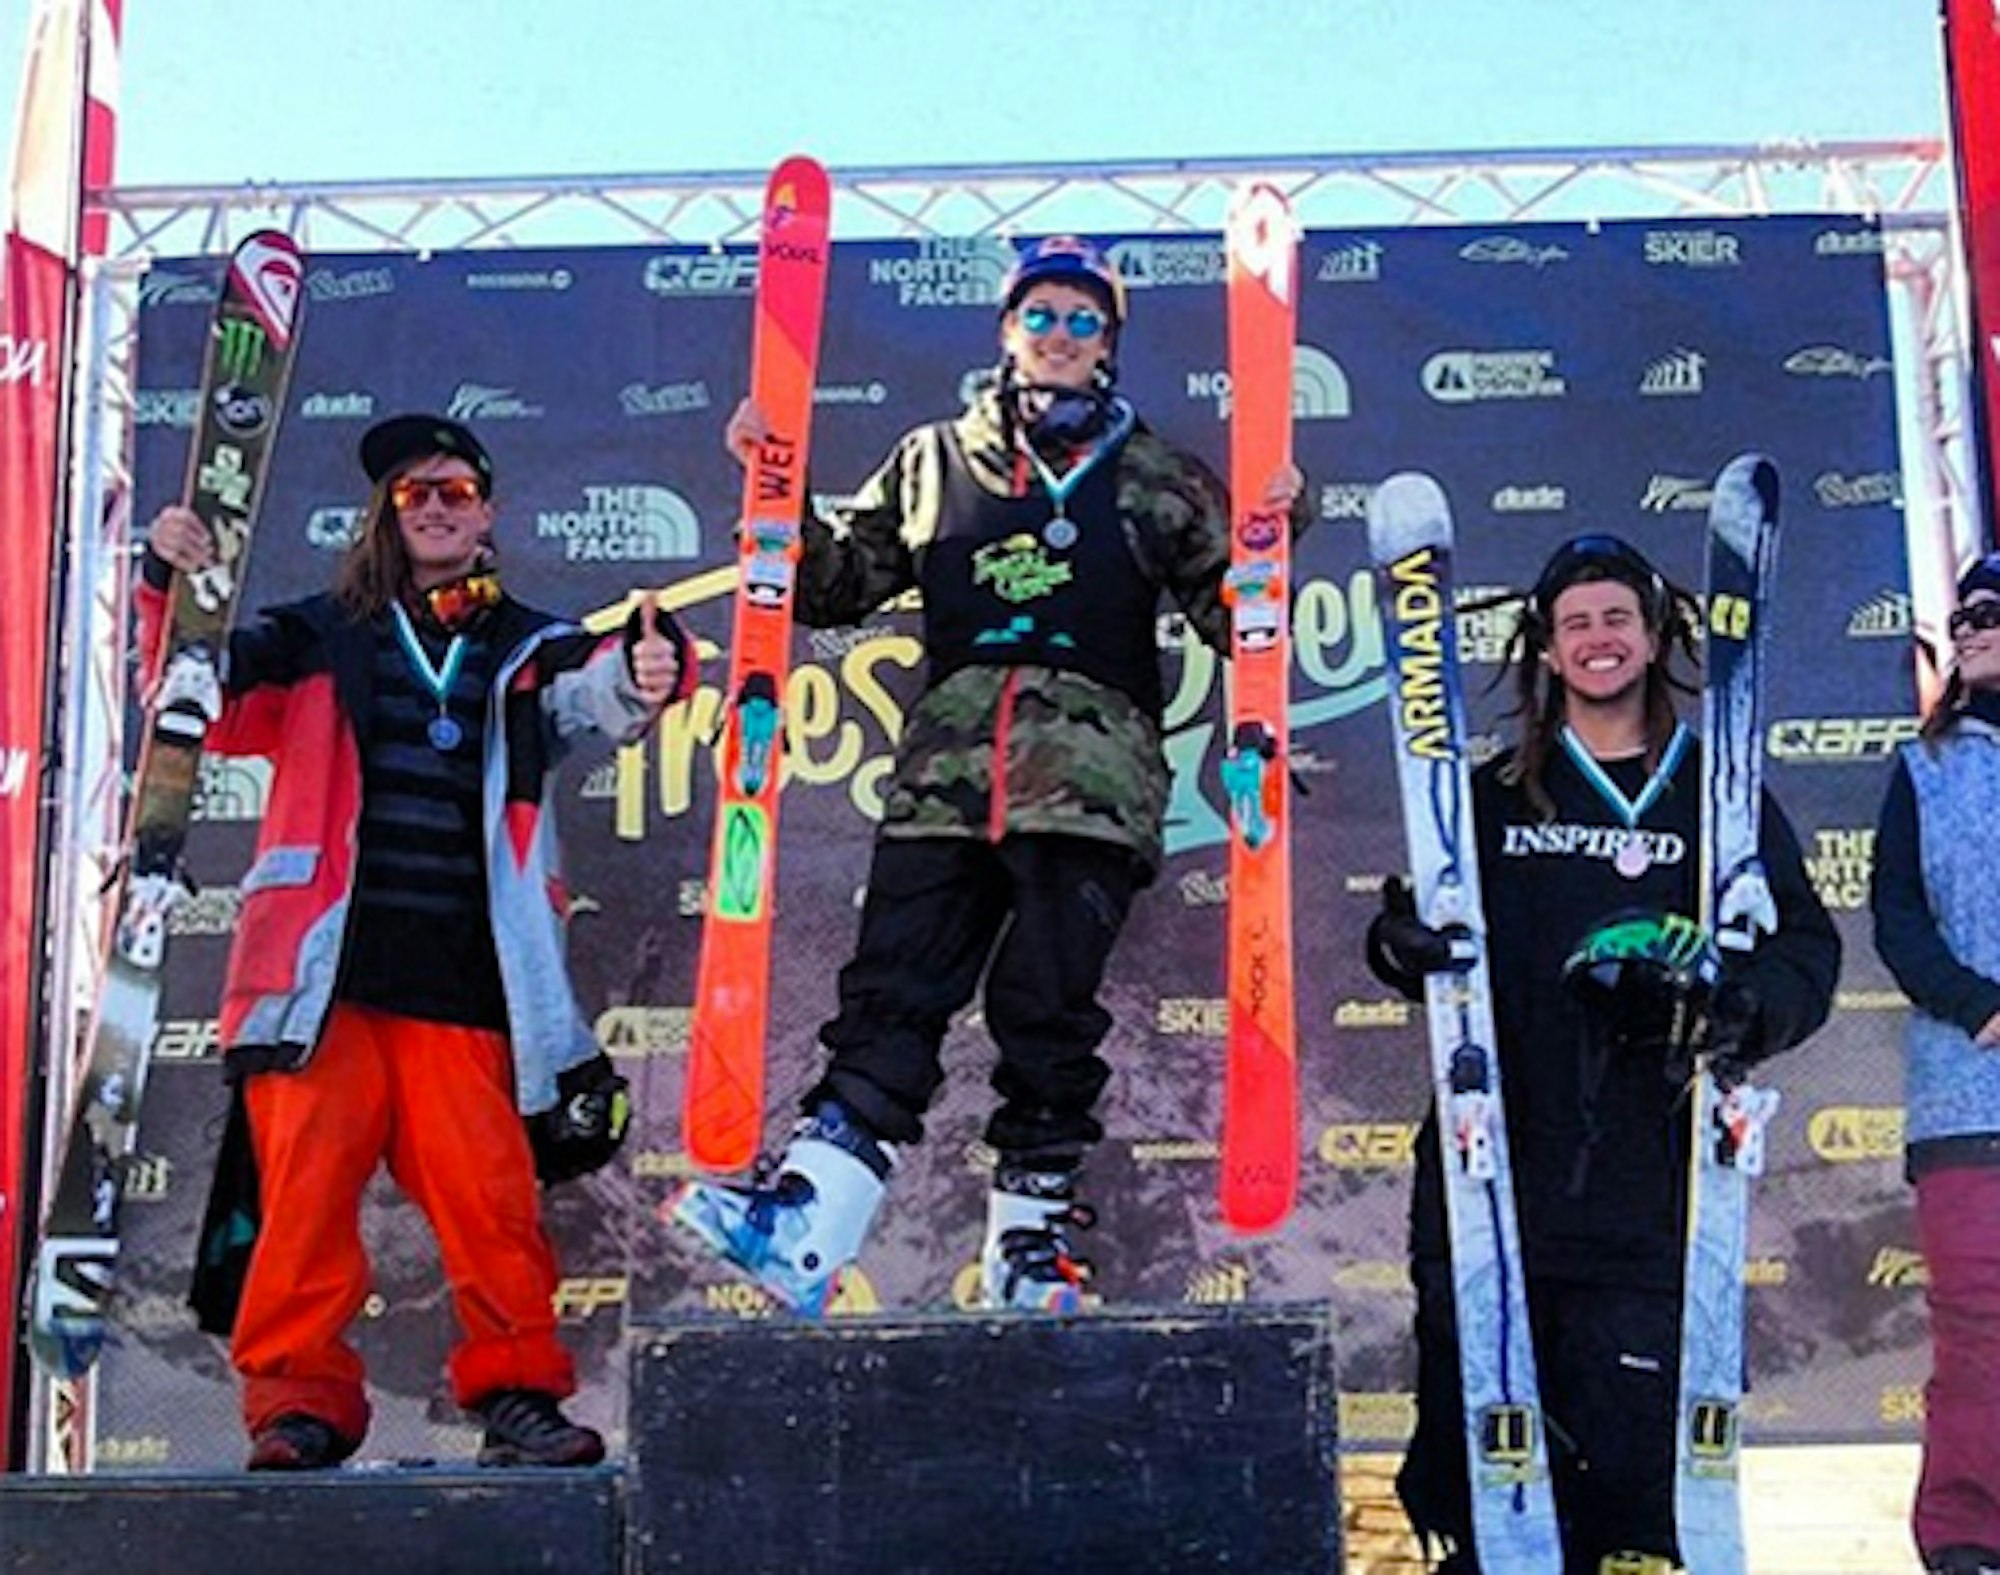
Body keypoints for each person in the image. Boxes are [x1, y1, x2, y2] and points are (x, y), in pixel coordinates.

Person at [671, 235, 1307, 1316]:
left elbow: (1235, 618)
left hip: (1093, 785)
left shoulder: (1157, 475)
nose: (1058, 336)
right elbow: (835, 586)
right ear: (1007, 330)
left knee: (1043, 1006)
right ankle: (805, 1225)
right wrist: (774, 488)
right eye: (1039, 316)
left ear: (1106, 343)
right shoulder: (932, 459)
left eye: (1081, 320)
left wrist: (1275, 529)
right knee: (892, 991)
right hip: (945, 782)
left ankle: (1027, 1246)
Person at [145, 413, 695, 1470]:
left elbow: (603, 692)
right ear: (385, 517)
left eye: (453, 489)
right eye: (412, 493)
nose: (434, 505)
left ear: (486, 514)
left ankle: (519, 1398)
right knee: (300, 1207)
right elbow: (197, 700)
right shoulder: (312, 634)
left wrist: (651, 670)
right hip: (318, 980)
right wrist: (171, 588)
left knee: (492, 1207)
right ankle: (296, 1406)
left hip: (469, 979)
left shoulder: (528, 645)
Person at [1366, 533, 1839, 1573]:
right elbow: (1419, 929)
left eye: (1615, 617)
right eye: (1573, 621)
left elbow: (1805, 951)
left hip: (1650, 1178)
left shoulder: (1717, 800)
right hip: (1496, 1170)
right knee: (1480, 1465)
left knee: (1627, 1468)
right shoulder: (1489, 795)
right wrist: (1397, 946)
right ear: (1541, 648)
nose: (1595, 639)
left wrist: (1737, 1011)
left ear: (1655, 633)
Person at [1871, 553, 2000, 1575]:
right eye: (1960, 614)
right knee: (1976, 1326)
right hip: (1966, 1089)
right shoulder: (1924, 765)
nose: (1967, 628)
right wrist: (1976, 1007)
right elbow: (1896, 920)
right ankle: (1963, 1535)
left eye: (1990, 612)